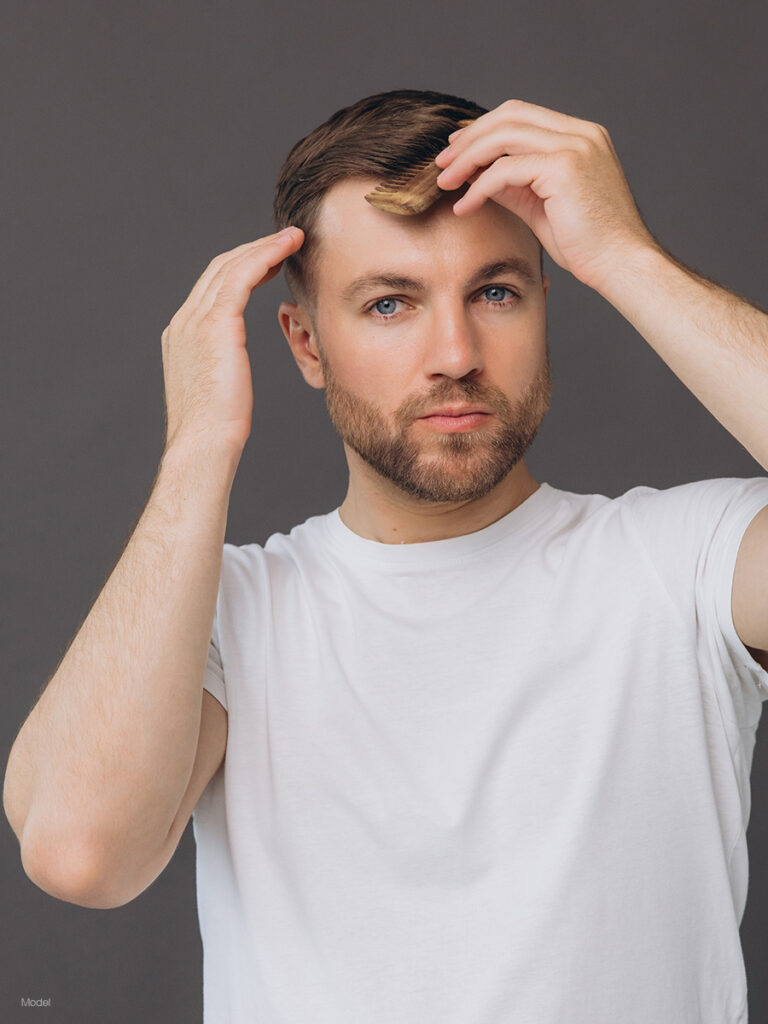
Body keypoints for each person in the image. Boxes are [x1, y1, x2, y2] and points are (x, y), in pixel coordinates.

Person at [4, 88, 768, 1023]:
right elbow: (80, 853)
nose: (455, 352)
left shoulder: (690, 564)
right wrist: (199, 443)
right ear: (305, 343)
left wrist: (625, 256)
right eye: (389, 303)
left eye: (496, 291)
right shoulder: (228, 613)